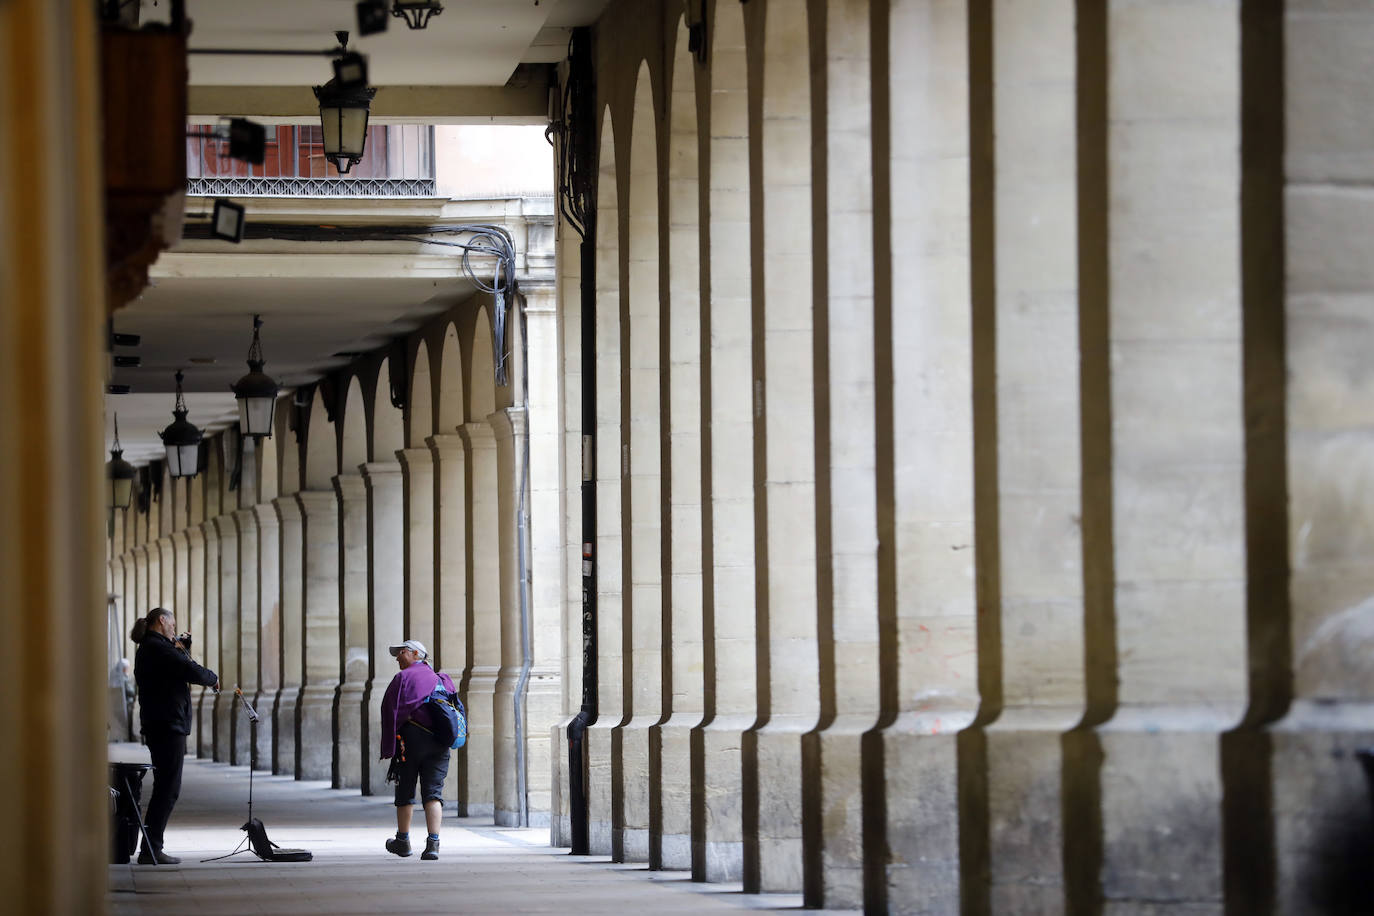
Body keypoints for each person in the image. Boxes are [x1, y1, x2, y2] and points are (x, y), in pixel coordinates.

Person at [131, 607, 219, 865]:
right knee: (168, 788)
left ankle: (151, 847)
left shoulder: (155, 647)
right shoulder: (157, 648)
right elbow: (189, 670)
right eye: (171, 624)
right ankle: (150, 848)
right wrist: (212, 678)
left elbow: (178, 666)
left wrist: (180, 648)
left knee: (165, 786)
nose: (173, 629)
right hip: (167, 724)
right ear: (162, 620)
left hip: (162, 723)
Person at [380, 639, 456, 861]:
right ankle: (433, 844)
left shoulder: (403, 678)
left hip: (410, 742)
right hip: (440, 743)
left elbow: (389, 711)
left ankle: (403, 841)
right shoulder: (442, 679)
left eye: (401, 652)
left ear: (415, 654)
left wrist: (389, 746)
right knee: (433, 793)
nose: (397, 657)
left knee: (405, 790)